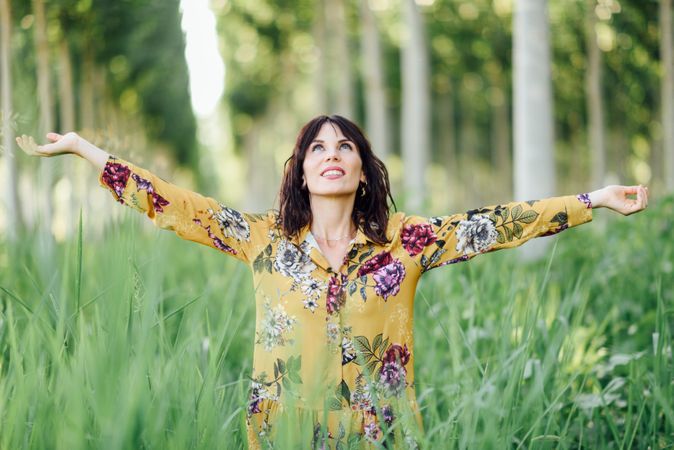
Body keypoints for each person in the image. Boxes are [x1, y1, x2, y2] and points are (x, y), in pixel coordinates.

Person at [16, 115, 649, 448]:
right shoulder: (262, 239)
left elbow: (496, 224)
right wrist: (85, 151)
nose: (332, 154)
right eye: (317, 147)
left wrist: (593, 198)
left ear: (365, 172)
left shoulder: (407, 243)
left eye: (344, 146)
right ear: (301, 171)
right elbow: (173, 203)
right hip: (282, 435)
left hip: (384, 436)